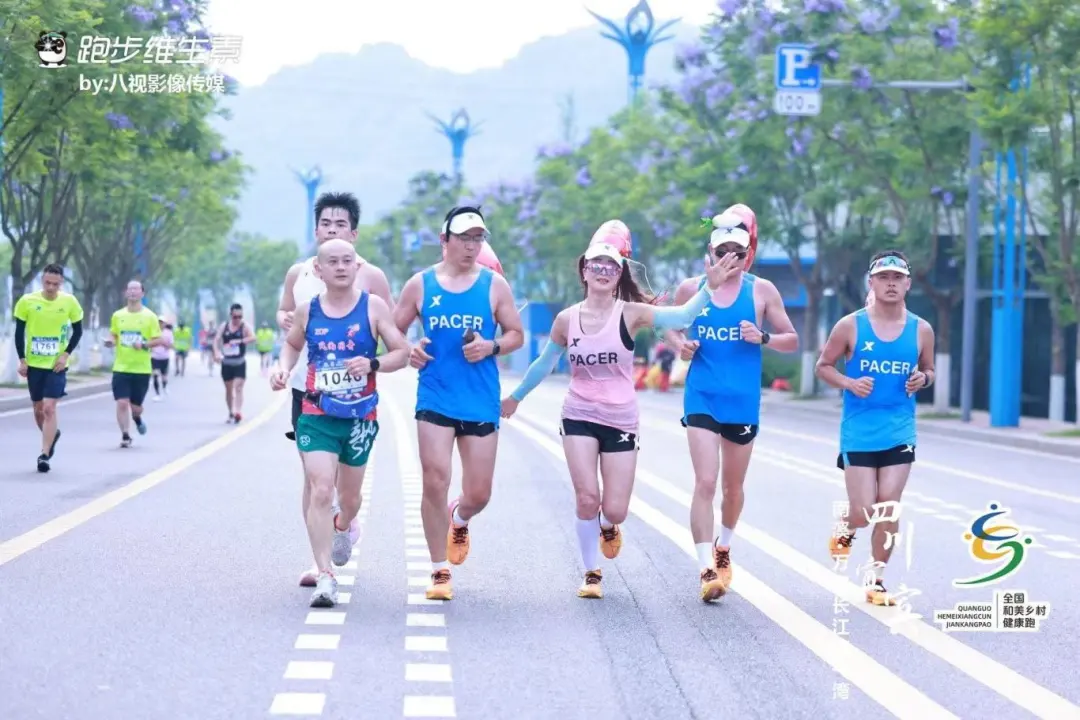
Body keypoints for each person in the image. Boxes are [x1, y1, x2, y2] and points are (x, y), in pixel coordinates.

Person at [501, 234, 738, 598]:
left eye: (611, 267)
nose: (603, 271)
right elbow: (545, 362)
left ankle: (608, 525)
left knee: (615, 510)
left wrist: (710, 287)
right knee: (586, 498)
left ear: (618, 275)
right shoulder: (566, 319)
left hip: (620, 419)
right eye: (596, 265)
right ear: (584, 271)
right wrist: (515, 398)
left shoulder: (631, 313)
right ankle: (591, 572)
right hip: (579, 414)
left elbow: (683, 316)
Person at [665, 207, 799, 601]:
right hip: (702, 396)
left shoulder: (761, 291)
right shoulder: (691, 290)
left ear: (748, 255)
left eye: (737, 253)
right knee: (705, 482)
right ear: (710, 253)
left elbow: (792, 339)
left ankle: (723, 546)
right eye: (722, 251)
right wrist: (680, 346)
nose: (729, 259)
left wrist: (763, 337)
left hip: (742, 400)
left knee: (732, 488)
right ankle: (706, 568)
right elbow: (669, 327)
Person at [393, 205, 524, 601]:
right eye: (464, 238)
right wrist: (410, 349)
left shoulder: (494, 286)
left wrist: (491, 346)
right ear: (444, 240)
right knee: (435, 479)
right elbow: (392, 331)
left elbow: (516, 334)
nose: (471, 246)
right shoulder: (419, 285)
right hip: (435, 394)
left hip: (479, 398)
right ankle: (439, 570)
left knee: (479, 493)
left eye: (477, 239)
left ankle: (460, 516)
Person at [271, 239, 411, 607]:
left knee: (348, 499)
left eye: (347, 261)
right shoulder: (307, 311)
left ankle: (343, 524)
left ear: (356, 265)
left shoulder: (373, 307)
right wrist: (282, 369)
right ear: (318, 270)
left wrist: (373, 364)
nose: (341, 267)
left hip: (359, 416)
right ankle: (325, 575)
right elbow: (292, 345)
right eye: (332, 262)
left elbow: (402, 352)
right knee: (320, 489)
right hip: (316, 414)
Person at [814, 250, 934, 606]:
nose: (891, 284)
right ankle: (847, 524)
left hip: (899, 428)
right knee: (864, 511)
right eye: (884, 278)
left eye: (898, 278)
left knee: (889, 505)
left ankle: (876, 580)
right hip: (859, 429)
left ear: (908, 284)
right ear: (872, 283)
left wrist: (923, 379)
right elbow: (823, 366)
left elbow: (929, 369)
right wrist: (849, 383)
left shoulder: (921, 329)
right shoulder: (850, 326)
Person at [12, 263, 84, 472]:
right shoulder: (27, 301)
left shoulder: (69, 302)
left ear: (61, 283)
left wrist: (65, 354)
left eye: (55, 284)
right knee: (38, 410)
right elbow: (19, 333)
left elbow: (78, 331)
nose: (51, 287)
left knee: (49, 408)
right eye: (47, 283)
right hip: (34, 365)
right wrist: (22, 360)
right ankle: (52, 434)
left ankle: (44, 455)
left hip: (57, 366)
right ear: (42, 281)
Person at [103, 280, 163, 448]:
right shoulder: (118, 315)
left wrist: (143, 345)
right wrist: (110, 341)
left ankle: (137, 418)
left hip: (141, 369)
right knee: (122, 402)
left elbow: (158, 340)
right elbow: (114, 334)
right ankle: (125, 435)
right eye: (130, 289)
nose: (133, 292)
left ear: (142, 293)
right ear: (125, 293)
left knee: (136, 408)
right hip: (121, 367)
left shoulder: (150, 317)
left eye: (136, 289)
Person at [214, 303, 256, 423]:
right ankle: (230, 412)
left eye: (240, 317)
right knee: (229, 389)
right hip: (226, 363)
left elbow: (253, 337)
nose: (237, 319)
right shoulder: (224, 326)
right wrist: (216, 352)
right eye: (235, 317)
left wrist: (240, 341)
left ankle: (237, 411)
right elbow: (216, 340)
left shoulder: (244, 326)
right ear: (231, 315)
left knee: (238, 387)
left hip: (239, 362)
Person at [150, 319, 173, 401]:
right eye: (159, 322)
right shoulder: (153, 332)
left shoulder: (169, 333)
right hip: (155, 357)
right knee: (155, 375)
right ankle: (157, 394)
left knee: (164, 376)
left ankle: (164, 386)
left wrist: (165, 344)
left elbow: (171, 345)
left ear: (165, 324)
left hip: (165, 357)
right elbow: (149, 343)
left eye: (162, 323)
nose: (160, 324)